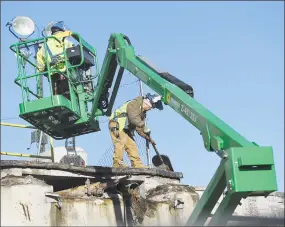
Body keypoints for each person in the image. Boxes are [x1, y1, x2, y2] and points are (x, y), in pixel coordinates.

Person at [108, 93, 164, 168]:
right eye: (151, 107)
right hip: (117, 124)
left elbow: (139, 128)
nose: (151, 109)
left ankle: (137, 165)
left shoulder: (143, 113)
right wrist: (143, 125)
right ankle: (117, 164)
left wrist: (148, 138)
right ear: (147, 102)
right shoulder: (134, 103)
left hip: (125, 128)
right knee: (121, 142)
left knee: (132, 145)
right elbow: (133, 118)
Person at [36, 21, 74, 99]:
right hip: (68, 74)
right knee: (70, 97)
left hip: (53, 76)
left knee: (57, 97)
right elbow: (75, 56)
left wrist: (46, 70)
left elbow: (40, 67)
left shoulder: (44, 46)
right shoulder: (68, 43)